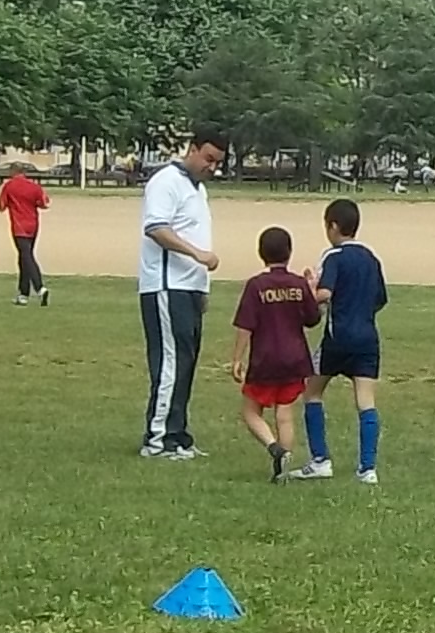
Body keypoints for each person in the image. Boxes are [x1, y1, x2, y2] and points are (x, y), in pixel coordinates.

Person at [138, 133, 225, 459]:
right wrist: (197, 254)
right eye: (208, 158)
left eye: (217, 162)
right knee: (170, 364)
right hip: (166, 285)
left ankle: (178, 434)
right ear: (191, 149)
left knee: (186, 363)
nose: (212, 167)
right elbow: (156, 228)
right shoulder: (167, 182)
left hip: (189, 289)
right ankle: (158, 440)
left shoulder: (197, 190)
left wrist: (202, 289)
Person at [229, 225, 324, 481]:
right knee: (284, 414)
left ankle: (275, 448)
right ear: (289, 252)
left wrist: (237, 358)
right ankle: (285, 465)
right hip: (295, 359)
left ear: (261, 253)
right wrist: (311, 290)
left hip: (265, 359)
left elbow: (245, 325)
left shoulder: (256, 286)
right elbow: (313, 318)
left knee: (251, 411)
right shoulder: (297, 284)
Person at [313, 196, 390, 481]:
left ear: (333, 226)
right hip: (368, 337)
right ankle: (367, 468)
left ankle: (320, 459)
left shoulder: (333, 256)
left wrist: (311, 292)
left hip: (338, 336)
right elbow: (381, 298)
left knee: (312, 391)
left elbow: (324, 294)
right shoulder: (371, 258)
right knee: (365, 401)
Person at [0, 161, 50, 304]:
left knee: (26, 257)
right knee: (24, 257)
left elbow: (1, 206)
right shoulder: (34, 186)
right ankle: (23, 294)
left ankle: (40, 288)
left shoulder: (9, 186)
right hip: (33, 225)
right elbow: (44, 204)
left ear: (12, 172)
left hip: (19, 226)